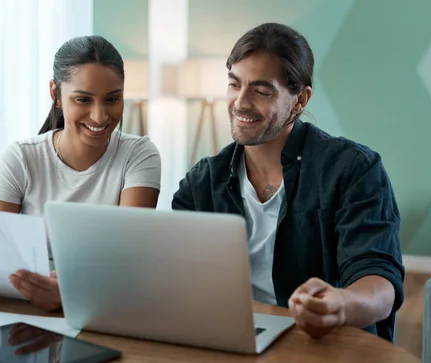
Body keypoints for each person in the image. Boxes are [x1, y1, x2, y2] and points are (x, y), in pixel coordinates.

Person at [172, 23, 404, 341]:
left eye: (262, 91)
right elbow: (179, 278)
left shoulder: (353, 170)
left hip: (326, 342)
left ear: (300, 100)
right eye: (234, 84)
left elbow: (380, 282)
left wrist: (341, 304)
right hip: (232, 338)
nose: (240, 102)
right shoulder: (200, 184)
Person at [0, 35, 162, 311]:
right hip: (22, 311)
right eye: (83, 99)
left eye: (112, 99)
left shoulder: (139, 155)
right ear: (55, 94)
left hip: (103, 309)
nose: (100, 116)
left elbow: (129, 259)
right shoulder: (20, 158)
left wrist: (70, 293)